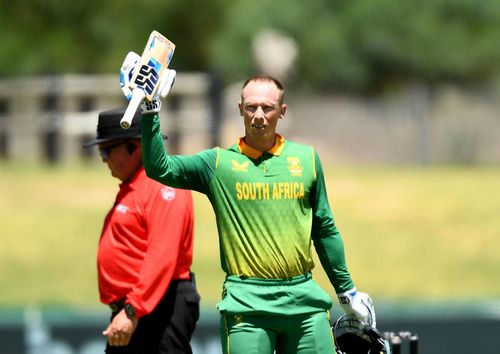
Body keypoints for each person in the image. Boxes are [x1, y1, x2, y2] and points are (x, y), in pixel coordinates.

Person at [120, 52, 376, 354]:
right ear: (240, 109)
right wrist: (151, 109)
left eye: (267, 107)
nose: (258, 115)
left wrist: (346, 291)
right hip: (247, 303)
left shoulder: (306, 159)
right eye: (251, 107)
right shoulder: (217, 164)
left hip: (304, 299)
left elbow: (325, 229)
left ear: (282, 111)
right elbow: (159, 167)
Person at [82, 107, 200, 354]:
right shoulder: (134, 185)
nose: (103, 158)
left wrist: (132, 310)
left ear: (135, 147)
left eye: (107, 149)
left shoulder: (162, 183)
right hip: (139, 307)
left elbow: (162, 256)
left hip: (158, 306)